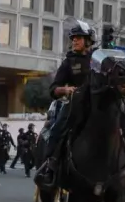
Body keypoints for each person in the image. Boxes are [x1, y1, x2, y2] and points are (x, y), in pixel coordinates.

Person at [35, 21, 97, 187]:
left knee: (124, 125)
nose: (74, 41)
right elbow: (53, 89)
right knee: (56, 129)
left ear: (89, 40)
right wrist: (65, 89)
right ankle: (50, 165)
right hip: (75, 105)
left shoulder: (99, 59)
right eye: (73, 38)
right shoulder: (68, 62)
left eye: (78, 38)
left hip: (98, 105)